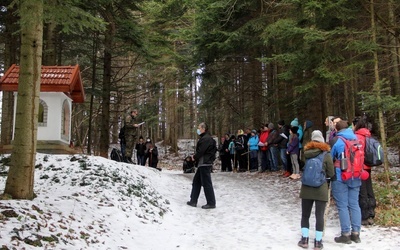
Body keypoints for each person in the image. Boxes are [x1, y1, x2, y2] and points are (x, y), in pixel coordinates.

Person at [297, 130, 335, 250]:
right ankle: (318, 242)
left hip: (306, 187)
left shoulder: (306, 153)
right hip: (321, 188)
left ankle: (304, 239)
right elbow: (331, 173)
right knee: (319, 216)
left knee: (305, 215)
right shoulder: (326, 154)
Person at [330, 120, 362, 244]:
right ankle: (356, 233)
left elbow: (330, 157)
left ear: (337, 130)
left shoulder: (337, 141)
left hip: (341, 175)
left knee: (342, 205)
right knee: (354, 204)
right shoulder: (357, 139)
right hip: (356, 174)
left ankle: (345, 234)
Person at [352, 117, 376, 226]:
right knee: (369, 189)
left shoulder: (357, 137)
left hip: (360, 168)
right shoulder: (368, 135)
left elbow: (356, 153)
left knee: (362, 192)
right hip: (368, 166)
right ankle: (371, 212)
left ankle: (365, 216)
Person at [187, 122, 217, 209]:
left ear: (203, 129)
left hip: (205, 163)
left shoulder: (206, 139)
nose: (198, 130)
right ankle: (193, 200)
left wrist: (194, 157)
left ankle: (211, 203)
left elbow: (201, 151)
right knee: (196, 182)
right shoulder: (205, 138)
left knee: (207, 183)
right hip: (202, 163)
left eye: (199, 128)